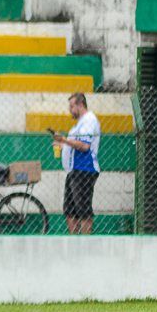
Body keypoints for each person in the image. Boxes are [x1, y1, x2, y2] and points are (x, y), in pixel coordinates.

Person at [53, 93, 100, 234]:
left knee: (83, 210)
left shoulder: (89, 120)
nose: (70, 110)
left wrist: (64, 140)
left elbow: (84, 146)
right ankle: (74, 240)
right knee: (70, 210)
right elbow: (75, 145)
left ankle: (86, 241)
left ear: (80, 105)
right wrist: (63, 145)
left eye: (71, 106)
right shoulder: (79, 124)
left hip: (84, 169)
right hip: (74, 170)